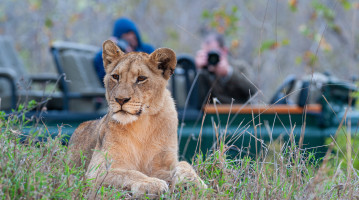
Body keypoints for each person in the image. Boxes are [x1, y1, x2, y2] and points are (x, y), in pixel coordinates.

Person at [195, 32, 257, 104]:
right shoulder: (202, 71)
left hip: (240, 113)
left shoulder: (240, 67)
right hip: (209, 114)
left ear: (224, 51)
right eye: (206, 54)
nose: (210, 57)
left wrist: (228, 73)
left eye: (213, 53)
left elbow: (252, 91)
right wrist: (196, 69)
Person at [93, 17, 155, 84]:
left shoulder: (147, 50)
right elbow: (106, 77)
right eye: (127, 34)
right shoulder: (112, 55)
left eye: (132, 33)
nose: (131, 36)